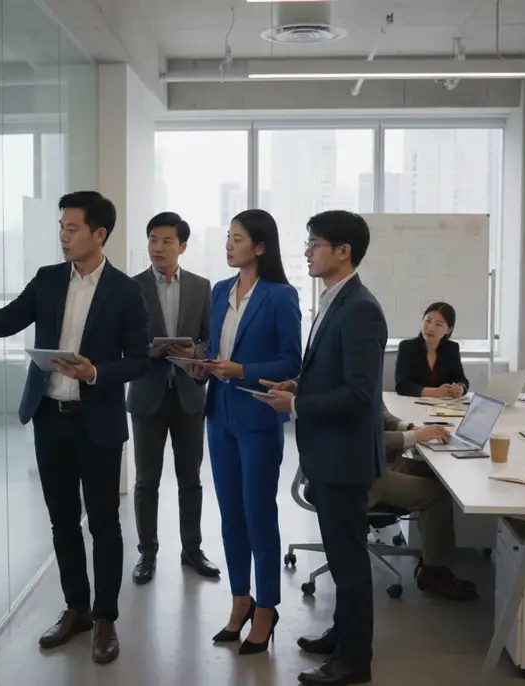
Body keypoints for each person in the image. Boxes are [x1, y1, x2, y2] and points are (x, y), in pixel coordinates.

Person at [0, 191, 148, 665]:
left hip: (97, 424)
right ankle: (77, 609)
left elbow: (140, 360)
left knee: (104, 523)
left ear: (99, 234)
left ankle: (105, 617)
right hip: (49, 418)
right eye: (61, 226)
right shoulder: (48, 279)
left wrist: (95, 372)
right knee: (62, 522)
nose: (63, 235)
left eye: (72, 228)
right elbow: (4, 323)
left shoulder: (125, 291)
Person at [257, 209, 386, 685]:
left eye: (314, 244)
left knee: (349, 563)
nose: (307, 251)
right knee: (341, 555)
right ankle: (341, 636)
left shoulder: (361, 308)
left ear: (343, 251)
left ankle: (354, 661)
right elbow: (333, 374)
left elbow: (359, 394)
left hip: (344, 459)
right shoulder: (335, 299)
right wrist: (298, 385)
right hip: (328, 454)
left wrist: (296, 404)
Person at [190, 209, 301, 655]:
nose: (228, 245)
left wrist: (241, 370)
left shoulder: (280, 295)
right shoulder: (221, 290)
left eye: (237, 239)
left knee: (259, 516)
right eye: (228, 237)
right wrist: (202, 365)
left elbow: (291, 362)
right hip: (219, 416)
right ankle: (241, 601)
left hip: (258, 417)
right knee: (230, 516)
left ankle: (267, 607)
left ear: (260, 246)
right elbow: (216, 347)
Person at [126, 212, 219, 585]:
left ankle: (192, 549)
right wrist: (145, 350)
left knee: (190, 479)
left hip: (188, 396)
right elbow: (122, 341)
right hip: (147, 394)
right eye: (152, 240)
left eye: (166, 241)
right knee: (146, 481)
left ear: (182, 246)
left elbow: (210, 338)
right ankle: (147, 553)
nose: (158, 247)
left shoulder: (201, 286)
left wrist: (194, 351)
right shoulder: (132, 287)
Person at [374, 410, 478, 601]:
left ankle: (432, 556)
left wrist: (409, 428)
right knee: (437, 495)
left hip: (375, 461)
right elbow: (361, 439)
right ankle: (434, 572)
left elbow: (379, 412)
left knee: (439, 474)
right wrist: (414, 437)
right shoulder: (348, 393)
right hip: (362, 476)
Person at [395, 302, 470, 398]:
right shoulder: (407, 347)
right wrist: (436, 392)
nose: (430, 328)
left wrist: (460, 388)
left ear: (449, 330)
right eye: (428, 321)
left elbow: (461, 379)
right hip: (413, 403)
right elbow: (402, 386)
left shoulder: (451, 348)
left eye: (438, 324)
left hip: (443, 405)